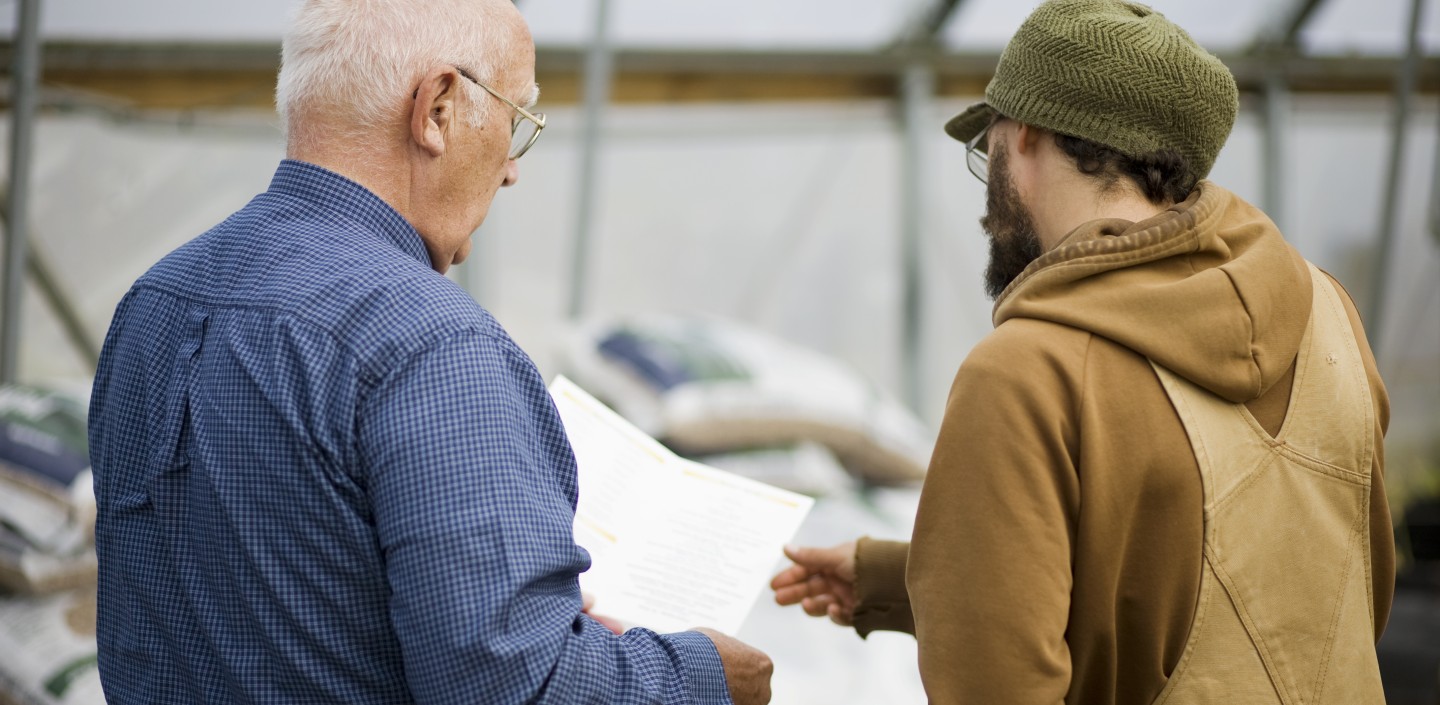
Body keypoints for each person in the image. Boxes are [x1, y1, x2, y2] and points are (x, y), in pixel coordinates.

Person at [87, 0, 772, 703]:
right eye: (517, 121)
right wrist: (706, 677)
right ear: (437, 109)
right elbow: (516, 688)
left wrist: (526, 623)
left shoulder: (155, 301)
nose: (510, 169)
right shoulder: (433, 344)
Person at [772, 1, 1393, 703]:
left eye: (989, 147)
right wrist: (903, 577)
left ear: (1026, 136)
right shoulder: (1329, 313)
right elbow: (1320, 587)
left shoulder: (1024, 372)